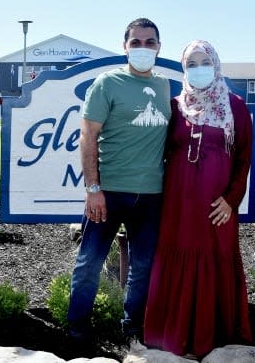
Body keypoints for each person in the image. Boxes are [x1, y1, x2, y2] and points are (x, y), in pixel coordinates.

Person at [143, 40, 253, 358]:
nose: (198, 69)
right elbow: (159, 152)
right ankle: (171, 335)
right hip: (178, 206)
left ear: (216, 65)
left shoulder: (235, 107)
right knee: (176, 257)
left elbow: (244, 158)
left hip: (216, 208)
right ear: (184, 68)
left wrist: (232, 200)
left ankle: (213, 336)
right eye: (191, 63)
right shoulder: (175, 106)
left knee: (212, 257)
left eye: (204, 62)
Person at [67, 18, 171, 340]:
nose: (143, 48)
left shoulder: (164, 86)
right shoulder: (107, 83)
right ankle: (77, 330)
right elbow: (88, 135)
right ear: (124, 46)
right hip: (108, 193)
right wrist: (93, 189)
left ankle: (132, 328)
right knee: (89, 264)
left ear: (158, 47)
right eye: (135, 42)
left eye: (149, 42)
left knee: (143, 269)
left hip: (151, 195)